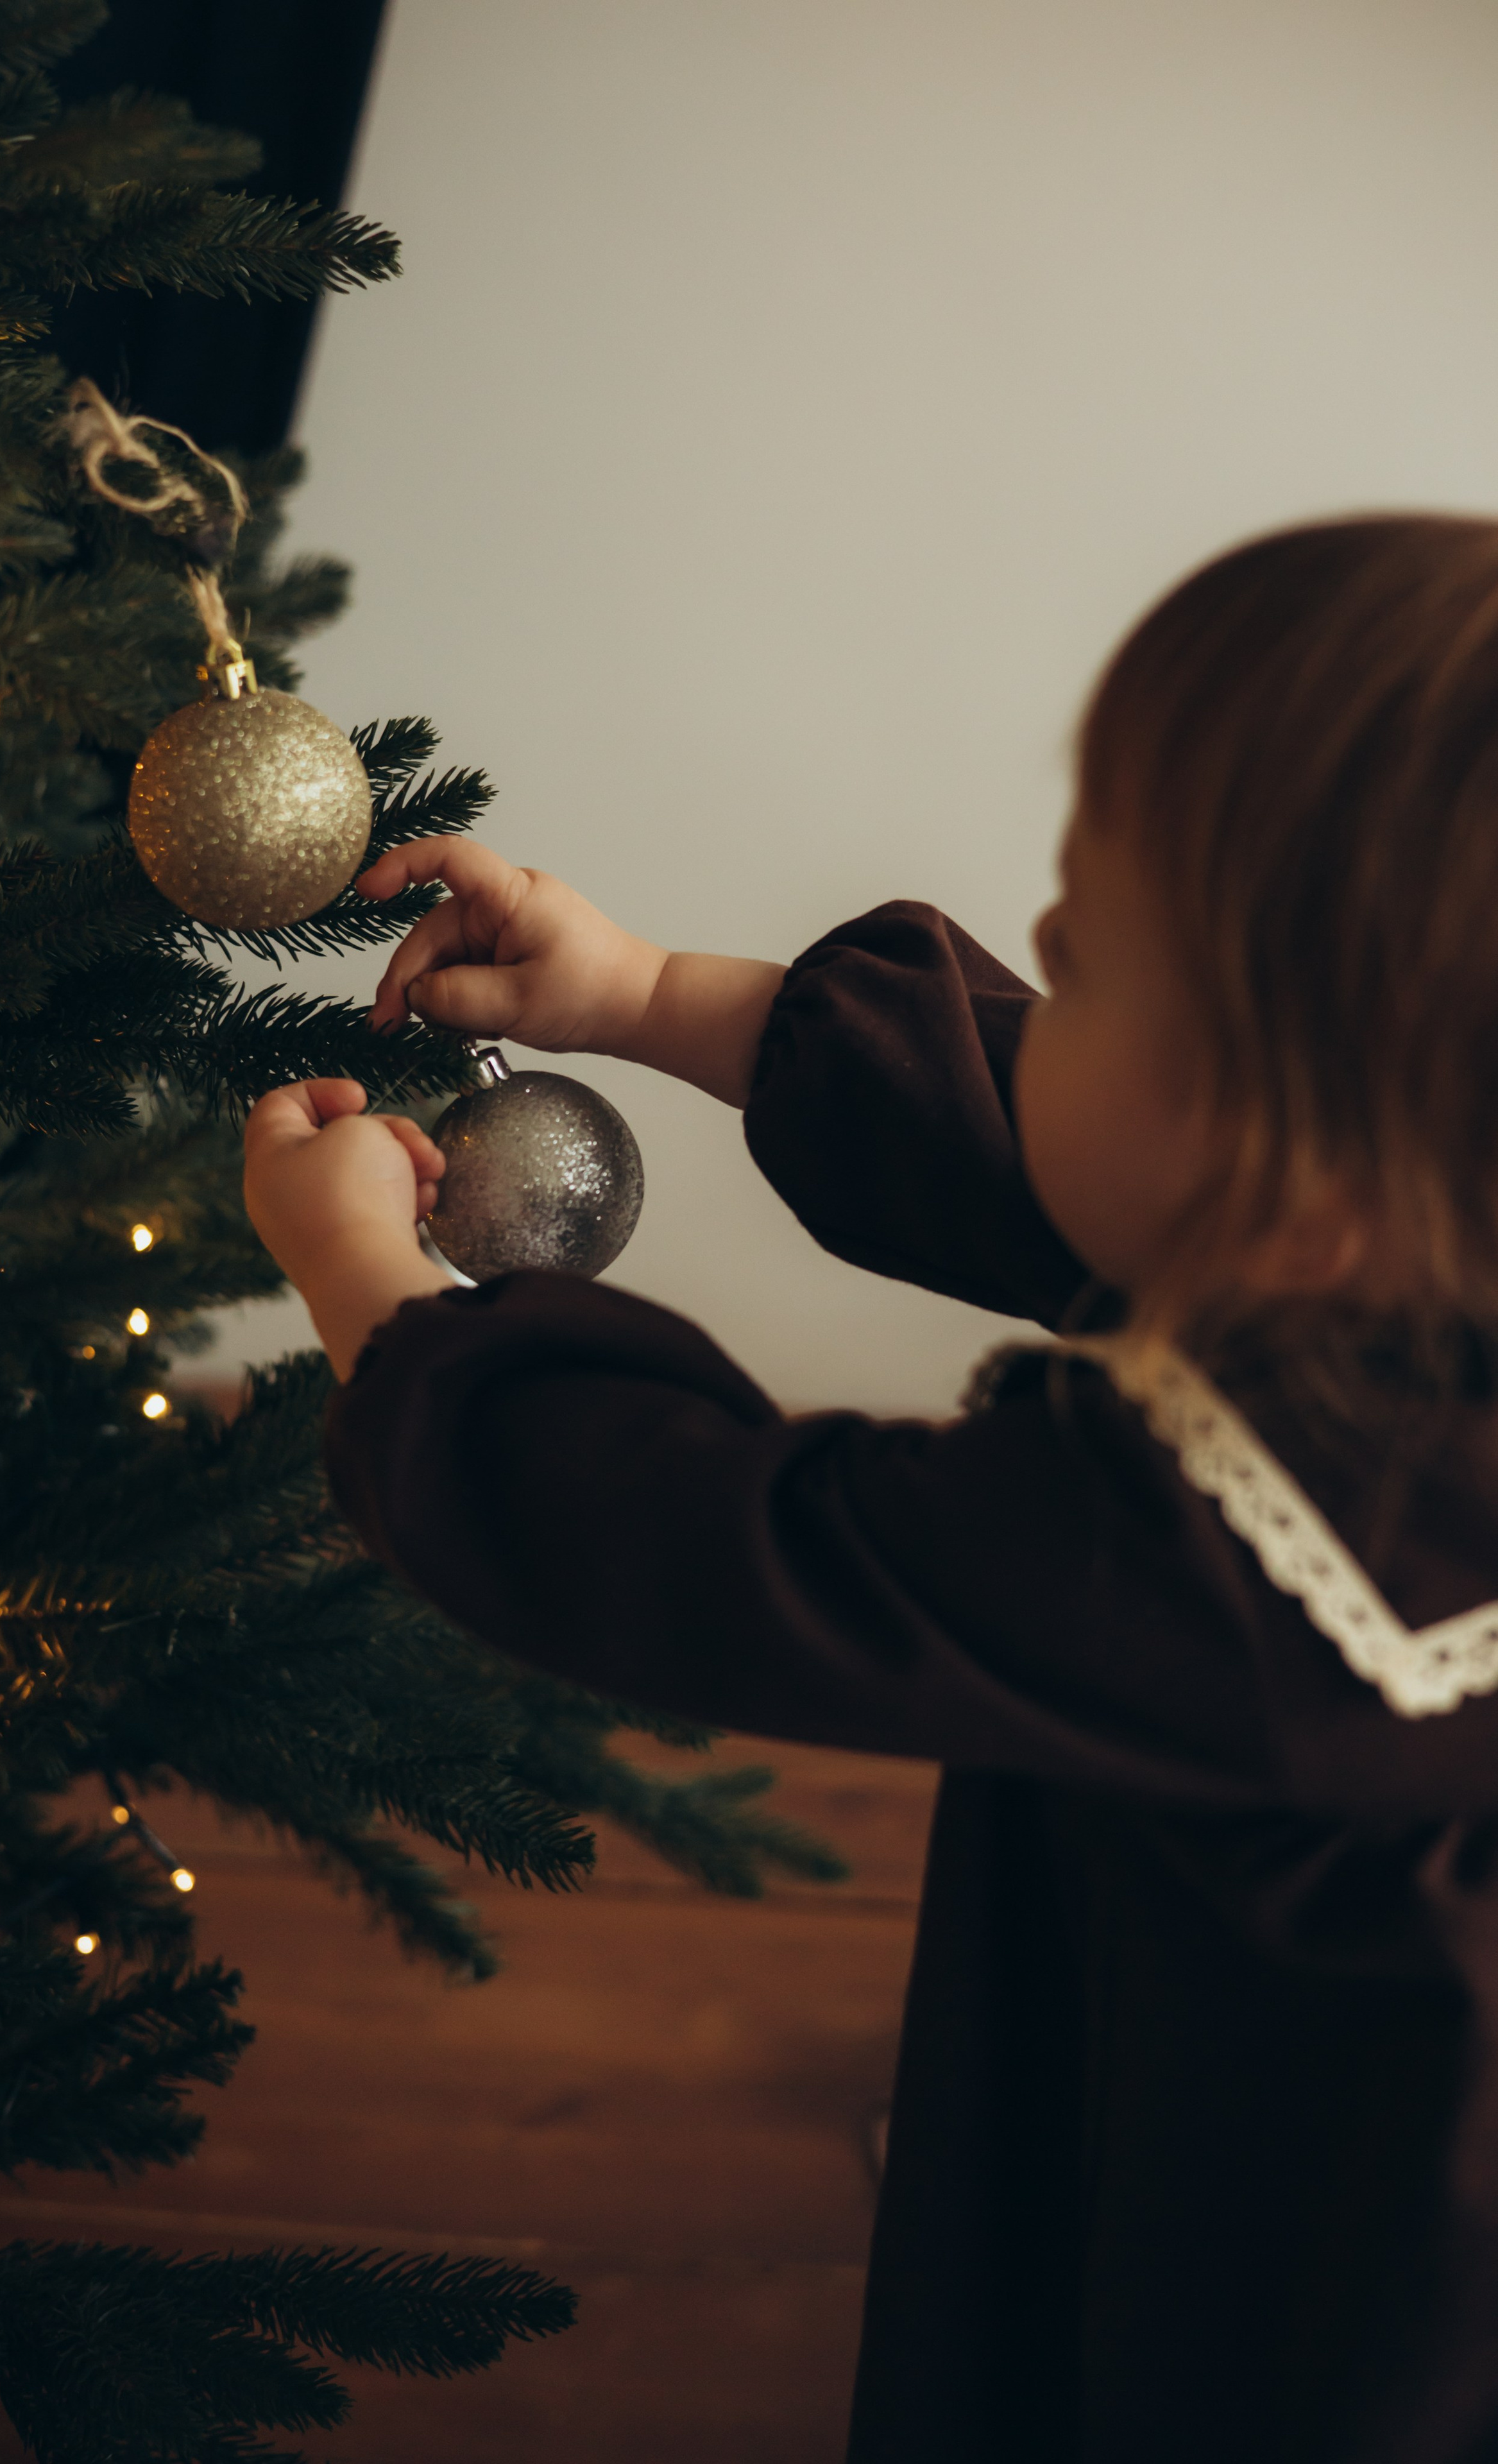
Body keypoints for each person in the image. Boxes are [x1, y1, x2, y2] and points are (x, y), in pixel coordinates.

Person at [243, 515, 1498, 2464]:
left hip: (1301, 2273)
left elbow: (727, 1544)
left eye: (1087, 966)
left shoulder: (1235, 1557)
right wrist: (649, 992)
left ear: (1298, 1190)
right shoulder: (1422, 1253)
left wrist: (379, 1301)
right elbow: (1047, 1151)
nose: (1039, 969)